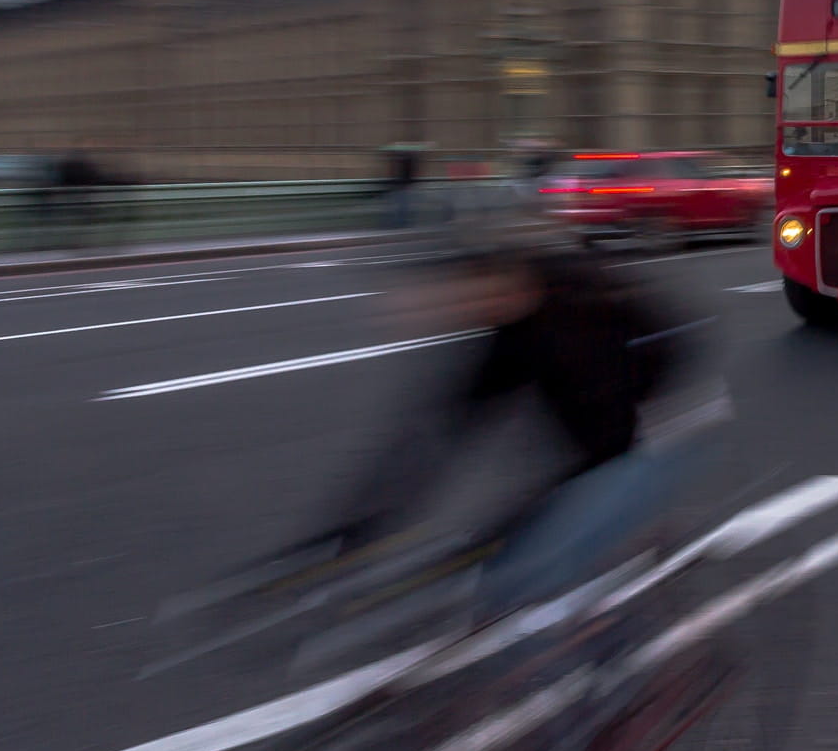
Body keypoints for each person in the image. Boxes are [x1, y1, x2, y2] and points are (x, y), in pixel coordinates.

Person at [281, 202, 720, 620]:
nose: (459, 315)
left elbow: (601, 451)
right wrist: (355, 533)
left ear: (503, 278)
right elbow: (439, 437)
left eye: (465, 300)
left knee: (535, 566)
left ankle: (614, 651)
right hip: (598, 413)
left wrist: (500, 537)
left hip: (656, 418)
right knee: (517, 546)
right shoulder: (511, 330)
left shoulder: (576, 320)